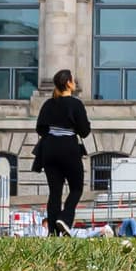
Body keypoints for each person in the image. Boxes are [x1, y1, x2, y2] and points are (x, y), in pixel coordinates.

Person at [32, 69, 90, 237]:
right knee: (76, 188)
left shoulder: (48, 104)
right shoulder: (75, 104)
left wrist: (54, 135)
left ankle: (51, 231)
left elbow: (40, 128)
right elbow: (84, 131)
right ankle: (64, 219)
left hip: (49, 150)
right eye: (73, 80)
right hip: (69, 149)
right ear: (69, 83)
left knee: (55, 192)